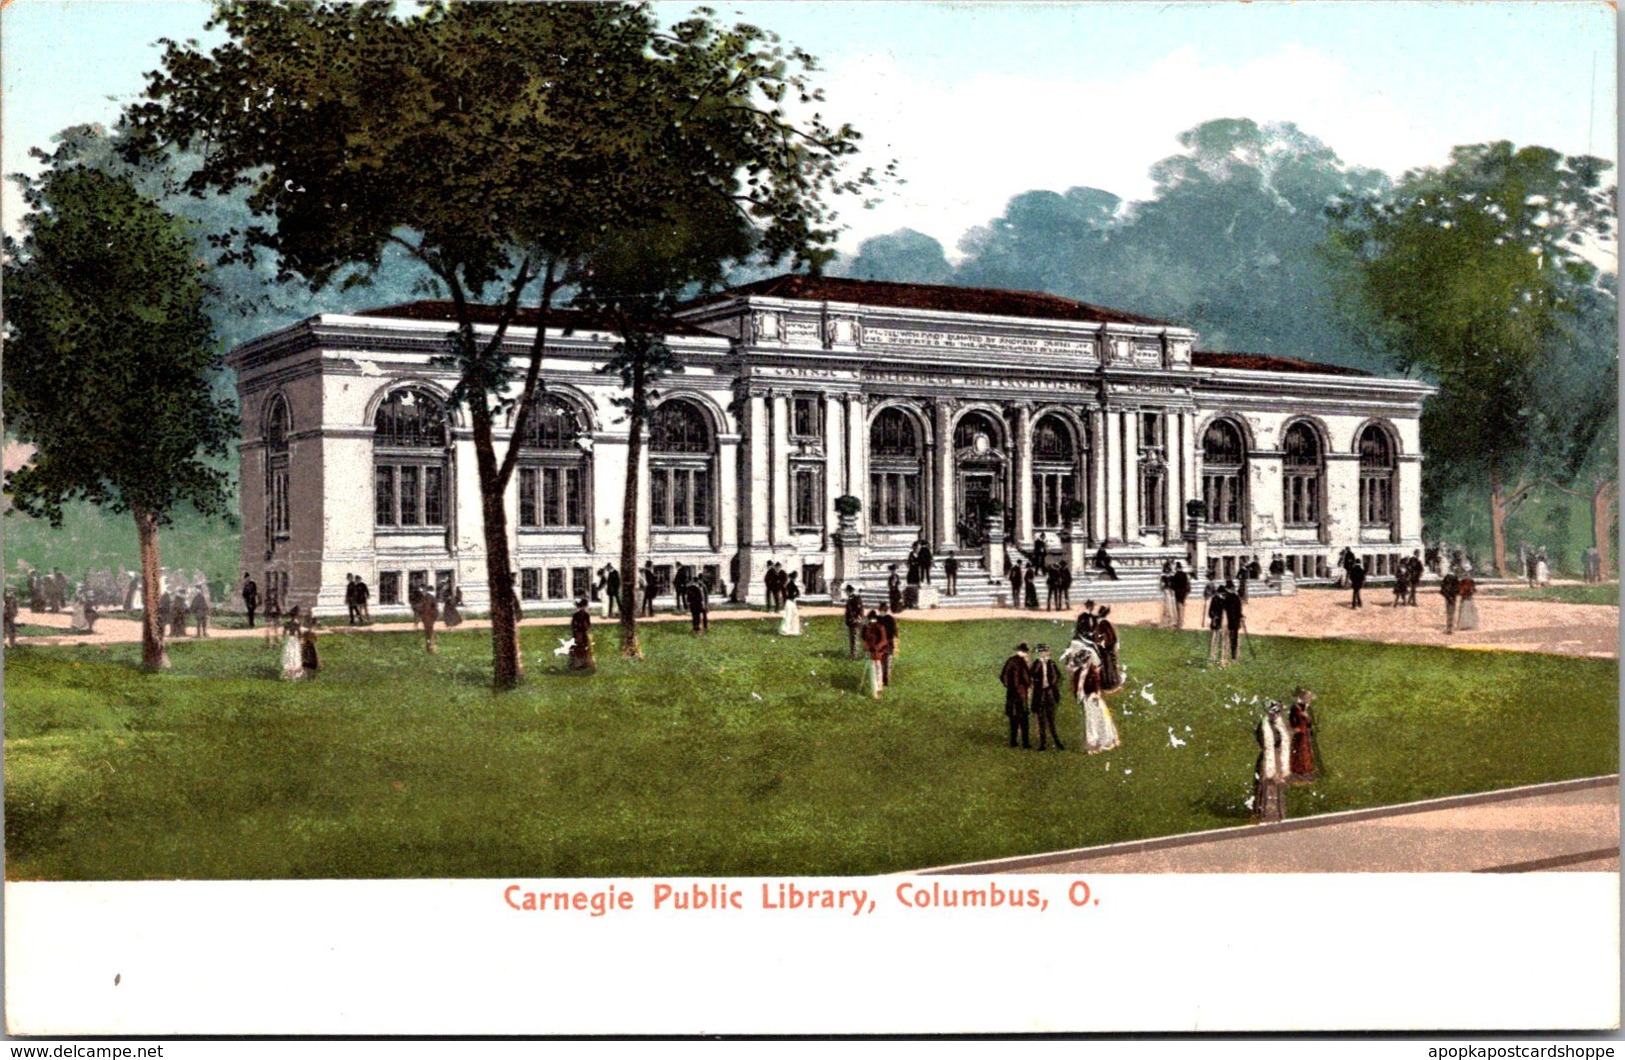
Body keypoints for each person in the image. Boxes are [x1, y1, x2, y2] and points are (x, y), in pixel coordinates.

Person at [1062, 634, 1119, 754]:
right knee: (1095, 719)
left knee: (1094, 720)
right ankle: (1100, 741)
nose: (1082, 664)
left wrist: (1096, 695)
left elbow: (1096, 685)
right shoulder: (1081, 672)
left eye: (1084, 662)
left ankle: (1096, 743)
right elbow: (1077, 685)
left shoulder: (1091, 673)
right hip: (1086, 697)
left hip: (1092, 697)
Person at [1253, 701, 1290, 823]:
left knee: (1278, 785)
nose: (1275, 715)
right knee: (1266, 784)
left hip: (1278, 758)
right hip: (1268, 758)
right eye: (1274, 712)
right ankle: (1263, 815)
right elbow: (1263, 742)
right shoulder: (1263, 726)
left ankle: (1279, 814)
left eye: (1278, 712)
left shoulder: (1280, 725)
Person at [1029, 643, 1065, 751]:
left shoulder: (1051, 663)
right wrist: (1039, 664)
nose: (1045, 653)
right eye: (1042, 652)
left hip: (1049, 694)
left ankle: (1056, 741)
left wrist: (1052, 685)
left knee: (1051, 719)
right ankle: (1043, 743)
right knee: (1041, 720)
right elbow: (1032, 673)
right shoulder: (1037, 663)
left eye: (1045, 651)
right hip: (1040, 694)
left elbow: (1058, 676)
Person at [999, 643, 1033, 749]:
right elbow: (1026, 678)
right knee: (1023, 719)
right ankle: (1025, 742)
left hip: (1012, 694)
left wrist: (1010, 686)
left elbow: (1003, 676)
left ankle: (1014, 741)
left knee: (1014, 719)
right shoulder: (1022, 662)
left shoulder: (1011, 661)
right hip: (1021, 694)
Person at [1288, 688, 1318, 784]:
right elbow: (1292, 719)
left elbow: (1308, 721)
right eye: (1306, 698)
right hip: (1300, 733)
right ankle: (1299, 772)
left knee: (1306, 751)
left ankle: (1306, 771)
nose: (1308, 700)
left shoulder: (1305, 708)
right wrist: (1296, 727)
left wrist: (1309, 727)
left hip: (1305, 733)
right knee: (1300, 751)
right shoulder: (1295, 707)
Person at [1093, 605, 1122, 691]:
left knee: (1105, 665)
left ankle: (1106, 683)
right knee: (1108, 665)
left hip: (1103, 648)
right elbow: (1110, 637)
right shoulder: (1104, 623)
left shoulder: (1098, 623)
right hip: (1106, 648)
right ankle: (1110, 683)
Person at [861, 611, 889, 699]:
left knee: (878, 668)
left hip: (878, 651)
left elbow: (884, 640)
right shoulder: (867, 627)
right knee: (872, 668)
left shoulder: (880, 627)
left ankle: (879, 687)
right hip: (870, 651)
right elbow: (865, 639)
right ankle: (874, 687)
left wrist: (877, 647)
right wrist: (866, 647)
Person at [568, 598, 595, 672]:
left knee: (582, 647)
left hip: (581, 633)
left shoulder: (581, 615)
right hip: (580, 633)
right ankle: (579, 663)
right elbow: (586, 625)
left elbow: (576, 625)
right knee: (580, 647)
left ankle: (582, 662)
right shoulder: (582, 615)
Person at [279, 606, 306, 680]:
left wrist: (283, 638)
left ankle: (288, 671)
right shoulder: (297, 623)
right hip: (294, 639)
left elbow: (284, 633)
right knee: (295, 653)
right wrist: (302, 639)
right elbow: (299, 633)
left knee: (289, 652)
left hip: (289, 639)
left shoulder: (287, 623)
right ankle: (295, 670)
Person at [1207, 582, 1229, 665]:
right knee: (1214, 642)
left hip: (1224, 623)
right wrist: (1214, 616)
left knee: (1224, 642)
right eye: (1222, 594)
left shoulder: (1226, 600)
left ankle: (1223, 660)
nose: (1223, 595)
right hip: (1217, 623)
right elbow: (1210, 612)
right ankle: (1212, 659)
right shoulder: (1215, 599)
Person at [877, 603, 899, 687]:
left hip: (888, 643)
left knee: (887, 662)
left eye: (883, 610)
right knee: (882, 662)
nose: (881, 611)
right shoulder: (878, 619)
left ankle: (886, 680)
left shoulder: (890, 619)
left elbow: (894, 631)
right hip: (881, 643)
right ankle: (882, 678)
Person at [1222, 579, 1244, 663]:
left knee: (1229, 638)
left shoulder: (1227, 598)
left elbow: (1224, 608)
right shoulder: (1235, 597)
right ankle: (1234, 656)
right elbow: (1239, 610)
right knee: (1234, 638)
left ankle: (1229, 656)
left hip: (1229, 620)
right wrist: (1240, 616)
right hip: (1235, 621)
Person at [843, 584, 865, 658]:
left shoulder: (856, 598)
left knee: (854, 638)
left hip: (855, 621)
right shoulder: (851, 598)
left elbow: (859, 610)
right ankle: (853, 653)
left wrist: (857, 618)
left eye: (846, 591)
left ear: (849, 591)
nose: (846, 593)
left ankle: (854, 654)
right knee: (853, 638)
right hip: (851, 621)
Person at [1440, 566, 1461, 634]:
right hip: (1452, 596)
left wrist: (1446, 595)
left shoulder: (1446, 577)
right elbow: (1457, 588)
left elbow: (1443, 587)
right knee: (1452, 612)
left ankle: (1449, 626)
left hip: (1447, 596)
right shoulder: (1455, 578)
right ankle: (1450, 627)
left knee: (1449, 612)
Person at [300, 611, 322, 676]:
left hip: (306, 645)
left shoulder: (305, 632)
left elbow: (302, 638)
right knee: (313, 657)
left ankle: (306, 668)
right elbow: (316, 639)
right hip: (311, 645)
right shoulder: (312, 632)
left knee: (305, 657)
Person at [419, 585, 439, 653]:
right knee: (429, 631)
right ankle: (430, 646)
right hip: (428, 616)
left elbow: (428, 608)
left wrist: (425, 615)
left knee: (429, 631)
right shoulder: (428, 597)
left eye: (422, 590)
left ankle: (431, 646)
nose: (421, 592)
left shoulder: (429, 597)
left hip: (429, 616)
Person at [1170, 562, 1191, 629]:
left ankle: (1179, 622)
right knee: (1182, 606)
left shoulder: (1175, 575)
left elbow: (1172, 586)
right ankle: (1181, 621)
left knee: (1178, 607)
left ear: (1176, 568)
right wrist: (1187, 591)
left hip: (1178, 593)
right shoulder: (1185, 574)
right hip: (1183, 592)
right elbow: (1187, 583)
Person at [1159, 561, 1176, 627]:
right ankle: (1170, 619)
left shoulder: (1167, 575)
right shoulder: (1165, 576)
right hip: (1168, 591)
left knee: (1170, 605)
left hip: (1169, 590)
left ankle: (1171, 619)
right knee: (1169, 605)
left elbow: (1161, 585)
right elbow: (1161, 585)